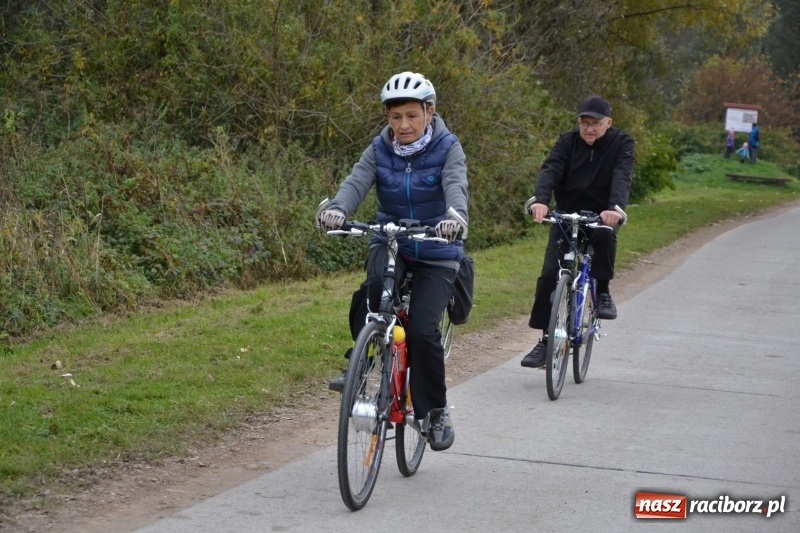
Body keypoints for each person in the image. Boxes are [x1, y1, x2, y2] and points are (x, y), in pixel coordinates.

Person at [316, 72, 468, 451]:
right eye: (396, 116)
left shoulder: (448, 147)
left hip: (436, 249)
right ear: (387, 117)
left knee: (422, 331)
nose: (403, 125)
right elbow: (357, 181)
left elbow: (455, 185)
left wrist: (455, 218)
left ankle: (435, 412)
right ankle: (361, 362)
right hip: (392, 240)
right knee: (370, 295)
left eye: (412, 116)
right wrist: (338, 209)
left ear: (429, 112)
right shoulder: (379, 148)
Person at [521, 95, 634, 369]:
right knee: (550, 275)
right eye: (585, 123)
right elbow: (551, 169)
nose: (589, 129)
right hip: (567, 214)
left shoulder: (622, 143)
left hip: (601, 214)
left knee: (605, 235)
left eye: (595, 123)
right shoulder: (567, 141)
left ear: (608, 123)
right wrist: (540, 200)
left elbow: (622, 175)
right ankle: (546, 340)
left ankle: (603, 292)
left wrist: (615, 209)